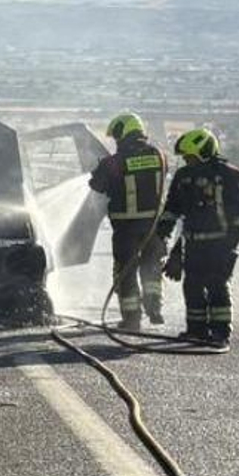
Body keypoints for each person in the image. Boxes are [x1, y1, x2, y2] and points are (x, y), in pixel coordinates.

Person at [163, 126, 239, 349]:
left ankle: (220, 333)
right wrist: (162, 231)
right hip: (193, 243)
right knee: (192, 286)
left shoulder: (229, 175)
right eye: (185, 158)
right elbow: (172, 207)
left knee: (217, 286)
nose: (187, 161)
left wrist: (231, 242)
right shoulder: (183, 176)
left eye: (190, 157)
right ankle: (196, 331)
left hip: (220, 244)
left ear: (205, 152)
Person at [88, 112, 170, 330]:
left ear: (123, 133)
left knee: (125, 272)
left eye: (116, 137)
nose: (116, 141)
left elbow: (97, 185)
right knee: (152, 268)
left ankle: (132, 319)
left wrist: (100, 168)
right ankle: (154, 306)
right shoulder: (159, 155)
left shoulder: (114, 163)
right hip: (155, 227)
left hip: (126, 228)